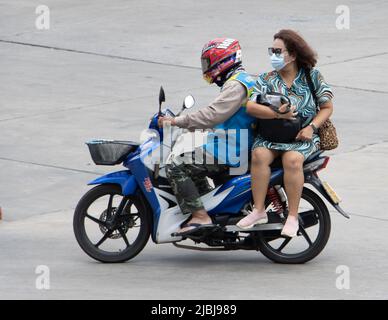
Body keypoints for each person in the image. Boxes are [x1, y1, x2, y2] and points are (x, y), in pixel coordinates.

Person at [237, 29, 334, 237]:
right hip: (271, 137)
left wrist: (311, 127)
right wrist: (277, 115)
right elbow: (251, 107)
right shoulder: (266, 79)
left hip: (302, 138)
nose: (273, 55)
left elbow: (327, 107)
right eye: (271, 50)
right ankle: (258, 210)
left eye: (278, 51)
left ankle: (291, 216)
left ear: (293, 54)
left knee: (292, 161)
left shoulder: (312, 77)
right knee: (259, 155)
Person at [158, 38, 257, 235]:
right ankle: (208, 210)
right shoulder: (240, 81)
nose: (207, 68)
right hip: (231, 144)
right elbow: (225, 118)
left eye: (208, 63)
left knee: (176, 166)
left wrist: (178, 121)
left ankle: (200, 216)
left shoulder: (236, 85)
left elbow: (213, 114)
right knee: (192, 164)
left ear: (222, 60)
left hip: (231, 149)